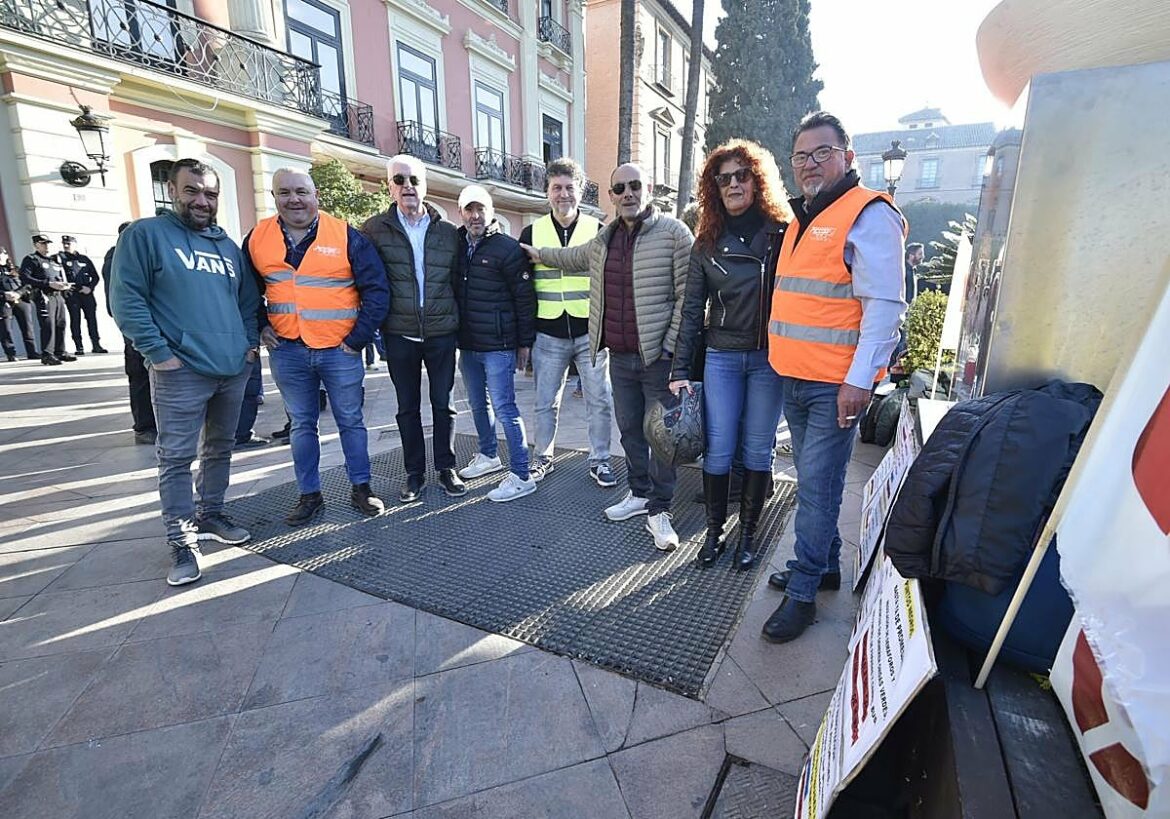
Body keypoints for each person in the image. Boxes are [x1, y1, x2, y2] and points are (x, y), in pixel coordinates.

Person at [761, 112, 906, 642]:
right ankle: (825, 568)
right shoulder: (803, 216)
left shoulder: (869, 214)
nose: (809, 164)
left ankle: (803, 593)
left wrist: (860, 381)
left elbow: (884, 307)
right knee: (814, 483)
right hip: (795, 378)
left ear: (847, 156)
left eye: (822, 152)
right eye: (801, 156)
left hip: (834, 386)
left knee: (817, 492)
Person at [523, 163, 693, 552]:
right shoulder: (605, 238)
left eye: (635, 185)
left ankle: (660, 509)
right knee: (630, 430)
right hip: (619, 356)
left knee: (661, 435)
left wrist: (670, 346)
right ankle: (639, 493)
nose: (628, 193)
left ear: (648, 188)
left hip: (658, 358)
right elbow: (570, 257)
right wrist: (536, 253)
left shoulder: (674, 233)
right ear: (611, 196)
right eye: (620, 188)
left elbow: (688, 296)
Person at [110, 158, 260, 587]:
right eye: (191, 190)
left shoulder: (227, 247)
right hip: (180, 371)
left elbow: (247, 302)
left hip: (231, 368)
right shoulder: (145, 236)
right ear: (172, 191)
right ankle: (181, 540)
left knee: (220, 448)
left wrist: (248, 347)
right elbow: (126, 300)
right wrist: (159, 354)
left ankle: (211, 514)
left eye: (210, 193)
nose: (202, 200)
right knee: (175, 457)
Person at [668, 139, 792, 570]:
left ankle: (749, 535)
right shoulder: (706, 243)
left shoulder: (783, 234)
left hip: (769, 360)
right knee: (718, 449)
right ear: (714, 188)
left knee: (757, 450)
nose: (734, 184)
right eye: (725, 179)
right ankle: (714, 533)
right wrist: (680, 369)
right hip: (721, 357)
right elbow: (691, 311)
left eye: (742, 175)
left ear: (757, 181)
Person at [247, 168, 389, 525]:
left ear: (316, 196)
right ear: (274, 197)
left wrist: (357, 339)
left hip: (339, 349)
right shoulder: (258, 238)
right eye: (284, 192)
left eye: (301, 191)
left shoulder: (345, 235)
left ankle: (361, 488)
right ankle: (309, 495)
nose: (293, 199)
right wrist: (260, 325)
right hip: (287, 350)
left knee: (351, 421)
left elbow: (377, 290)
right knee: (301, 425)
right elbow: (246, 291)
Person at [362, 155, 464, 503]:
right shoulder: (373, 229)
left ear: (425, 185)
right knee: (407, 407)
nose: (408, 186)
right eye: (399, 180)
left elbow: (457, 281)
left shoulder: (447, 232)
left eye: (414, 180)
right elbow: (367, 280)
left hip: (441, 332)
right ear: (389, 187)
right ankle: (414, 473)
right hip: (399, 332)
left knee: (444, 404)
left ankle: (446, 468)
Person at [518, 158, 616, 488]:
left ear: (581, 191)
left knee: (599, 399)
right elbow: (524, 285)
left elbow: (609, 281)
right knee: (545, 402)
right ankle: (542, 457)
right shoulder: (531, 232)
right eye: (556, 188)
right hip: (548, 332)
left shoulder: (597, 230)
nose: (563, 194)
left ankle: (600, 460)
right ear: (547, 191)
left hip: (590, 332)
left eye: (569, 188)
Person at [453, 185, 537, 502]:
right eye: (469, 209)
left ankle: (522, 475)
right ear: (461, 213)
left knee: (505, 408)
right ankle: (489, 455)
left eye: (481, 209)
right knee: (478, 404)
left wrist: (524, 343)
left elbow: (525, 299)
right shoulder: (457, 245)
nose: (475, 216)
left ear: (491, 211)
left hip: (499, 345)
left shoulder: (507, 248)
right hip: (468, 344)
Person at [103, 221, 157, 444]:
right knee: (140, 377)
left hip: (155, 325)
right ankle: (144, 427)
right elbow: (118, 300)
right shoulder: (118, 256)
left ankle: (158, 424)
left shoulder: (144, 255)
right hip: (138, 329)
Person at [19, 235, 75, 365]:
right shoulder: (31, 259)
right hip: (44, 295)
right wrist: (48, 283)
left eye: (48, 243)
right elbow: (25, 278)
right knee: (48, 324)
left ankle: (60, 351)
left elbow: (58, 277)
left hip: (57, 295)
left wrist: (63, 285)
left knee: (61, 323)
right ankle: (47, 354)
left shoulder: (53, 260)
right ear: (36, 245)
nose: (46, 246)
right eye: (43, 243)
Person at [57, 235, 107, 354]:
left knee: (91, 319)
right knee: (75, 320)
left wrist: (90, 288)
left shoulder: (84, 259)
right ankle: (79, 346)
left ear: (74, 244)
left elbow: (95, 277)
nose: (66, 246)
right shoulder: (61, 259)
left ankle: (96, 344)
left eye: (68, 244)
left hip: (86, 293)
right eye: (64, 244)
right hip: (72, 294)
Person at [1, 246, 38, 361]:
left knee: (27, 328)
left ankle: (32, 352)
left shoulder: (16, 269)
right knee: (5, 329)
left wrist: (18, 293)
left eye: (1, 254)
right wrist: (4, 294)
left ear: (6, 255)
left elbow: (27, 284)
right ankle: (11, 354)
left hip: (21, 300)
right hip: (3, 302)